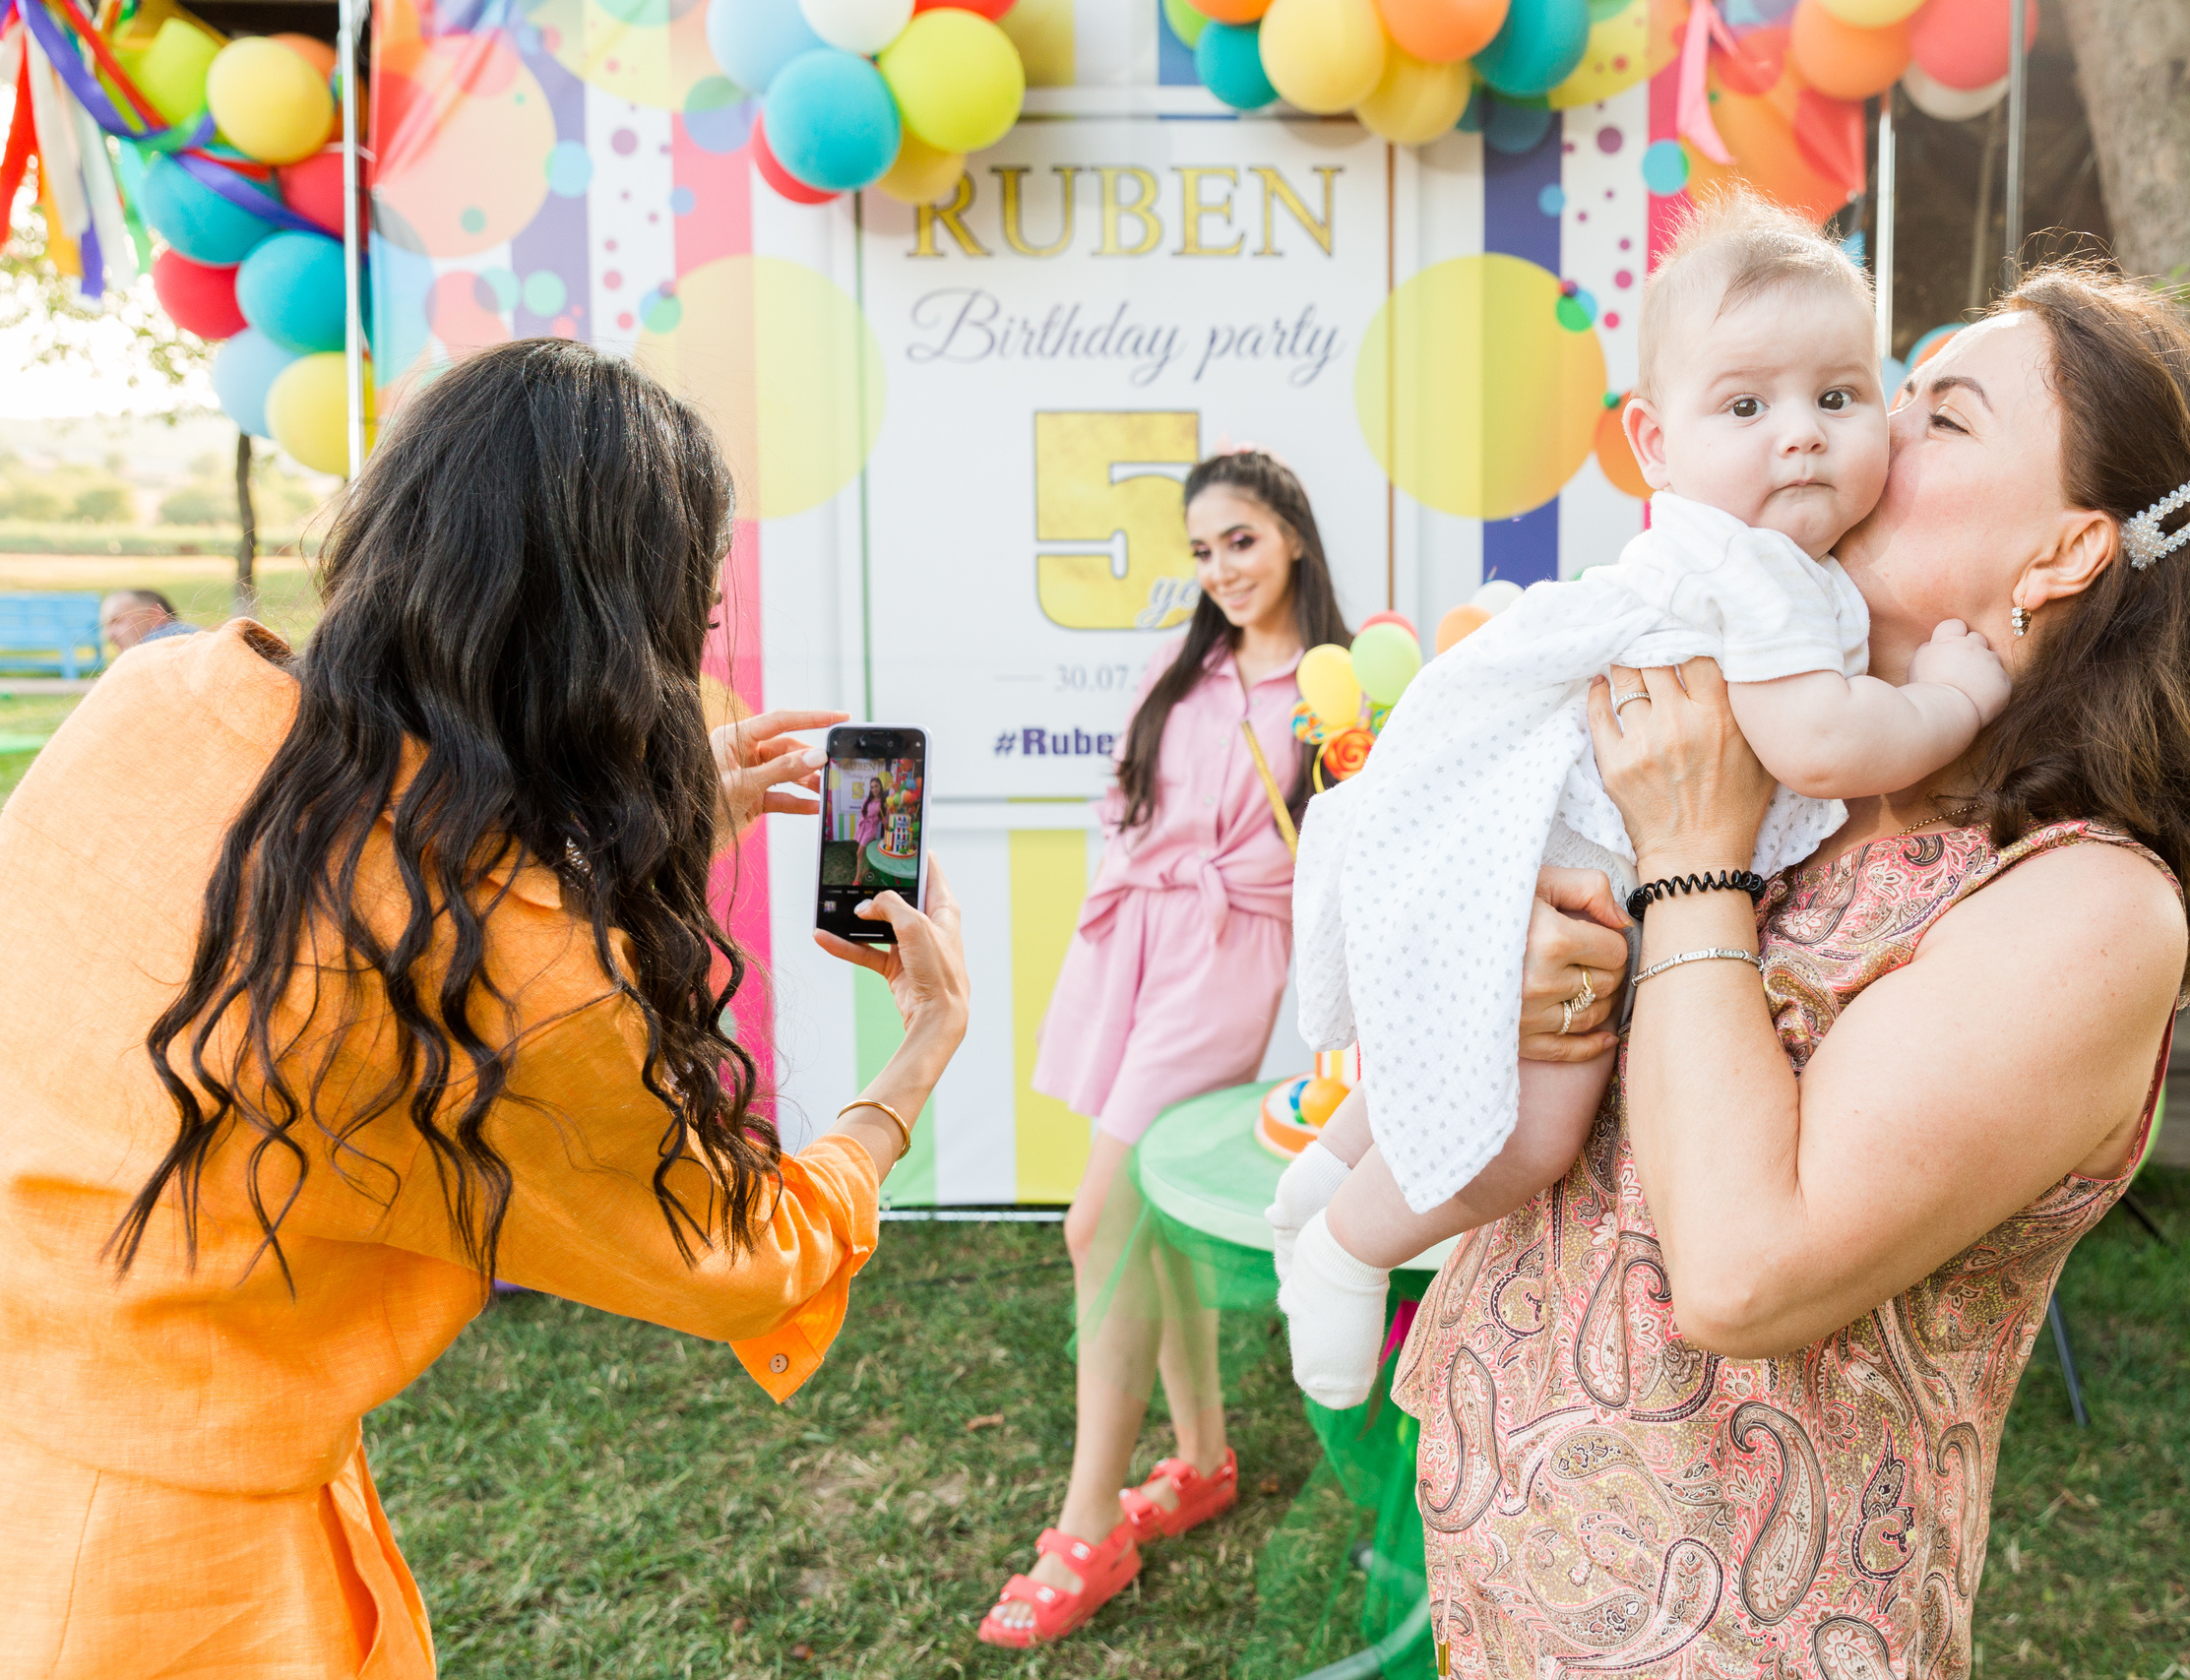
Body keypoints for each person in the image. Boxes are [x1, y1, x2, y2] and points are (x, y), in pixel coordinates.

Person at [1391, 264, 2190, 1675]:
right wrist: (1543, 973)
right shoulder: (1796, 786)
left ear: (2063, 555)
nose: (1868, 427)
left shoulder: (2080, 902)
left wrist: (1690, 856)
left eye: (1941, 415)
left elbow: (1748, 1271)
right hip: (1518, 1590)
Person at [0, 341, 970, 1678]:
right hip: (176, 1591)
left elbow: (349, 882)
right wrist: (915, 1059)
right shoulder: (527, 974)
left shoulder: (152, 699)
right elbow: (740, 1252)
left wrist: (666, 832)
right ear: (624, 632)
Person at [1270, 195, 2014, 1406]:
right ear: (1653, 442)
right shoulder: (1759, 572)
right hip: (1558, 858)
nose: (1800, 439)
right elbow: (1821, 742)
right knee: (1532, 1132)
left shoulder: (1738, 556)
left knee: (1466, 1041)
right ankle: (1346, 1248)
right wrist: (1950, 698)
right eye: (1745, 405)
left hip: (1519, 839)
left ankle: (1327, 1169)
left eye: (1838, 397)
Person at [979, 447, 1350, 1649]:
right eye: (1201, 551)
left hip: (1228, 954)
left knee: (1098, 1220)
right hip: (1131, 942)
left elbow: (1343, 842)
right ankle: (1198, 1459)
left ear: (1290, 533)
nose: (1221, 569)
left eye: (1240, 540)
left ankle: (1090, 1523)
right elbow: (1127, 799)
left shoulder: (1334, 688)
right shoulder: (1182, 667)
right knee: (1149, 1217)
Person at [100, 586, 199, 652]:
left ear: (154, 616)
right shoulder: (198, 639)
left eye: (117, 621)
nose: (108, 635)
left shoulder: (154, 649)